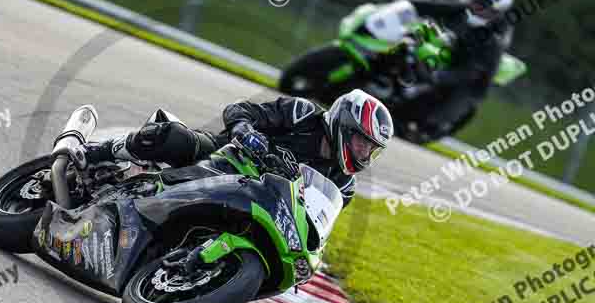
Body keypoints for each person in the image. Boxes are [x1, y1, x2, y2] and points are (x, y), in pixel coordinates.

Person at [65, 89, 393, 208]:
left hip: (258, 201)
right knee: (175, 137)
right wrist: (245, 130)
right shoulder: (303, 114)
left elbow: (317, 221)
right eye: (362, 141)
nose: (363, 153)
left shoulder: (343, 185)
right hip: (224, 156)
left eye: (371, 149)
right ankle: (95, 153)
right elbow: (241, 109)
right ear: (344, 124)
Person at [377, 0, 515, 134]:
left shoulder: (493, 40)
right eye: (476, 3)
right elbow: (434, 5)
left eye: (486, 9)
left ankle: (420, 125)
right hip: (450, 53)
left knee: (441, 93)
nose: (478, 10)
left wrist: (437, 77)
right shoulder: (463, 7)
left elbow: (471, 72)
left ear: (497, 13)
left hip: (469, 75)